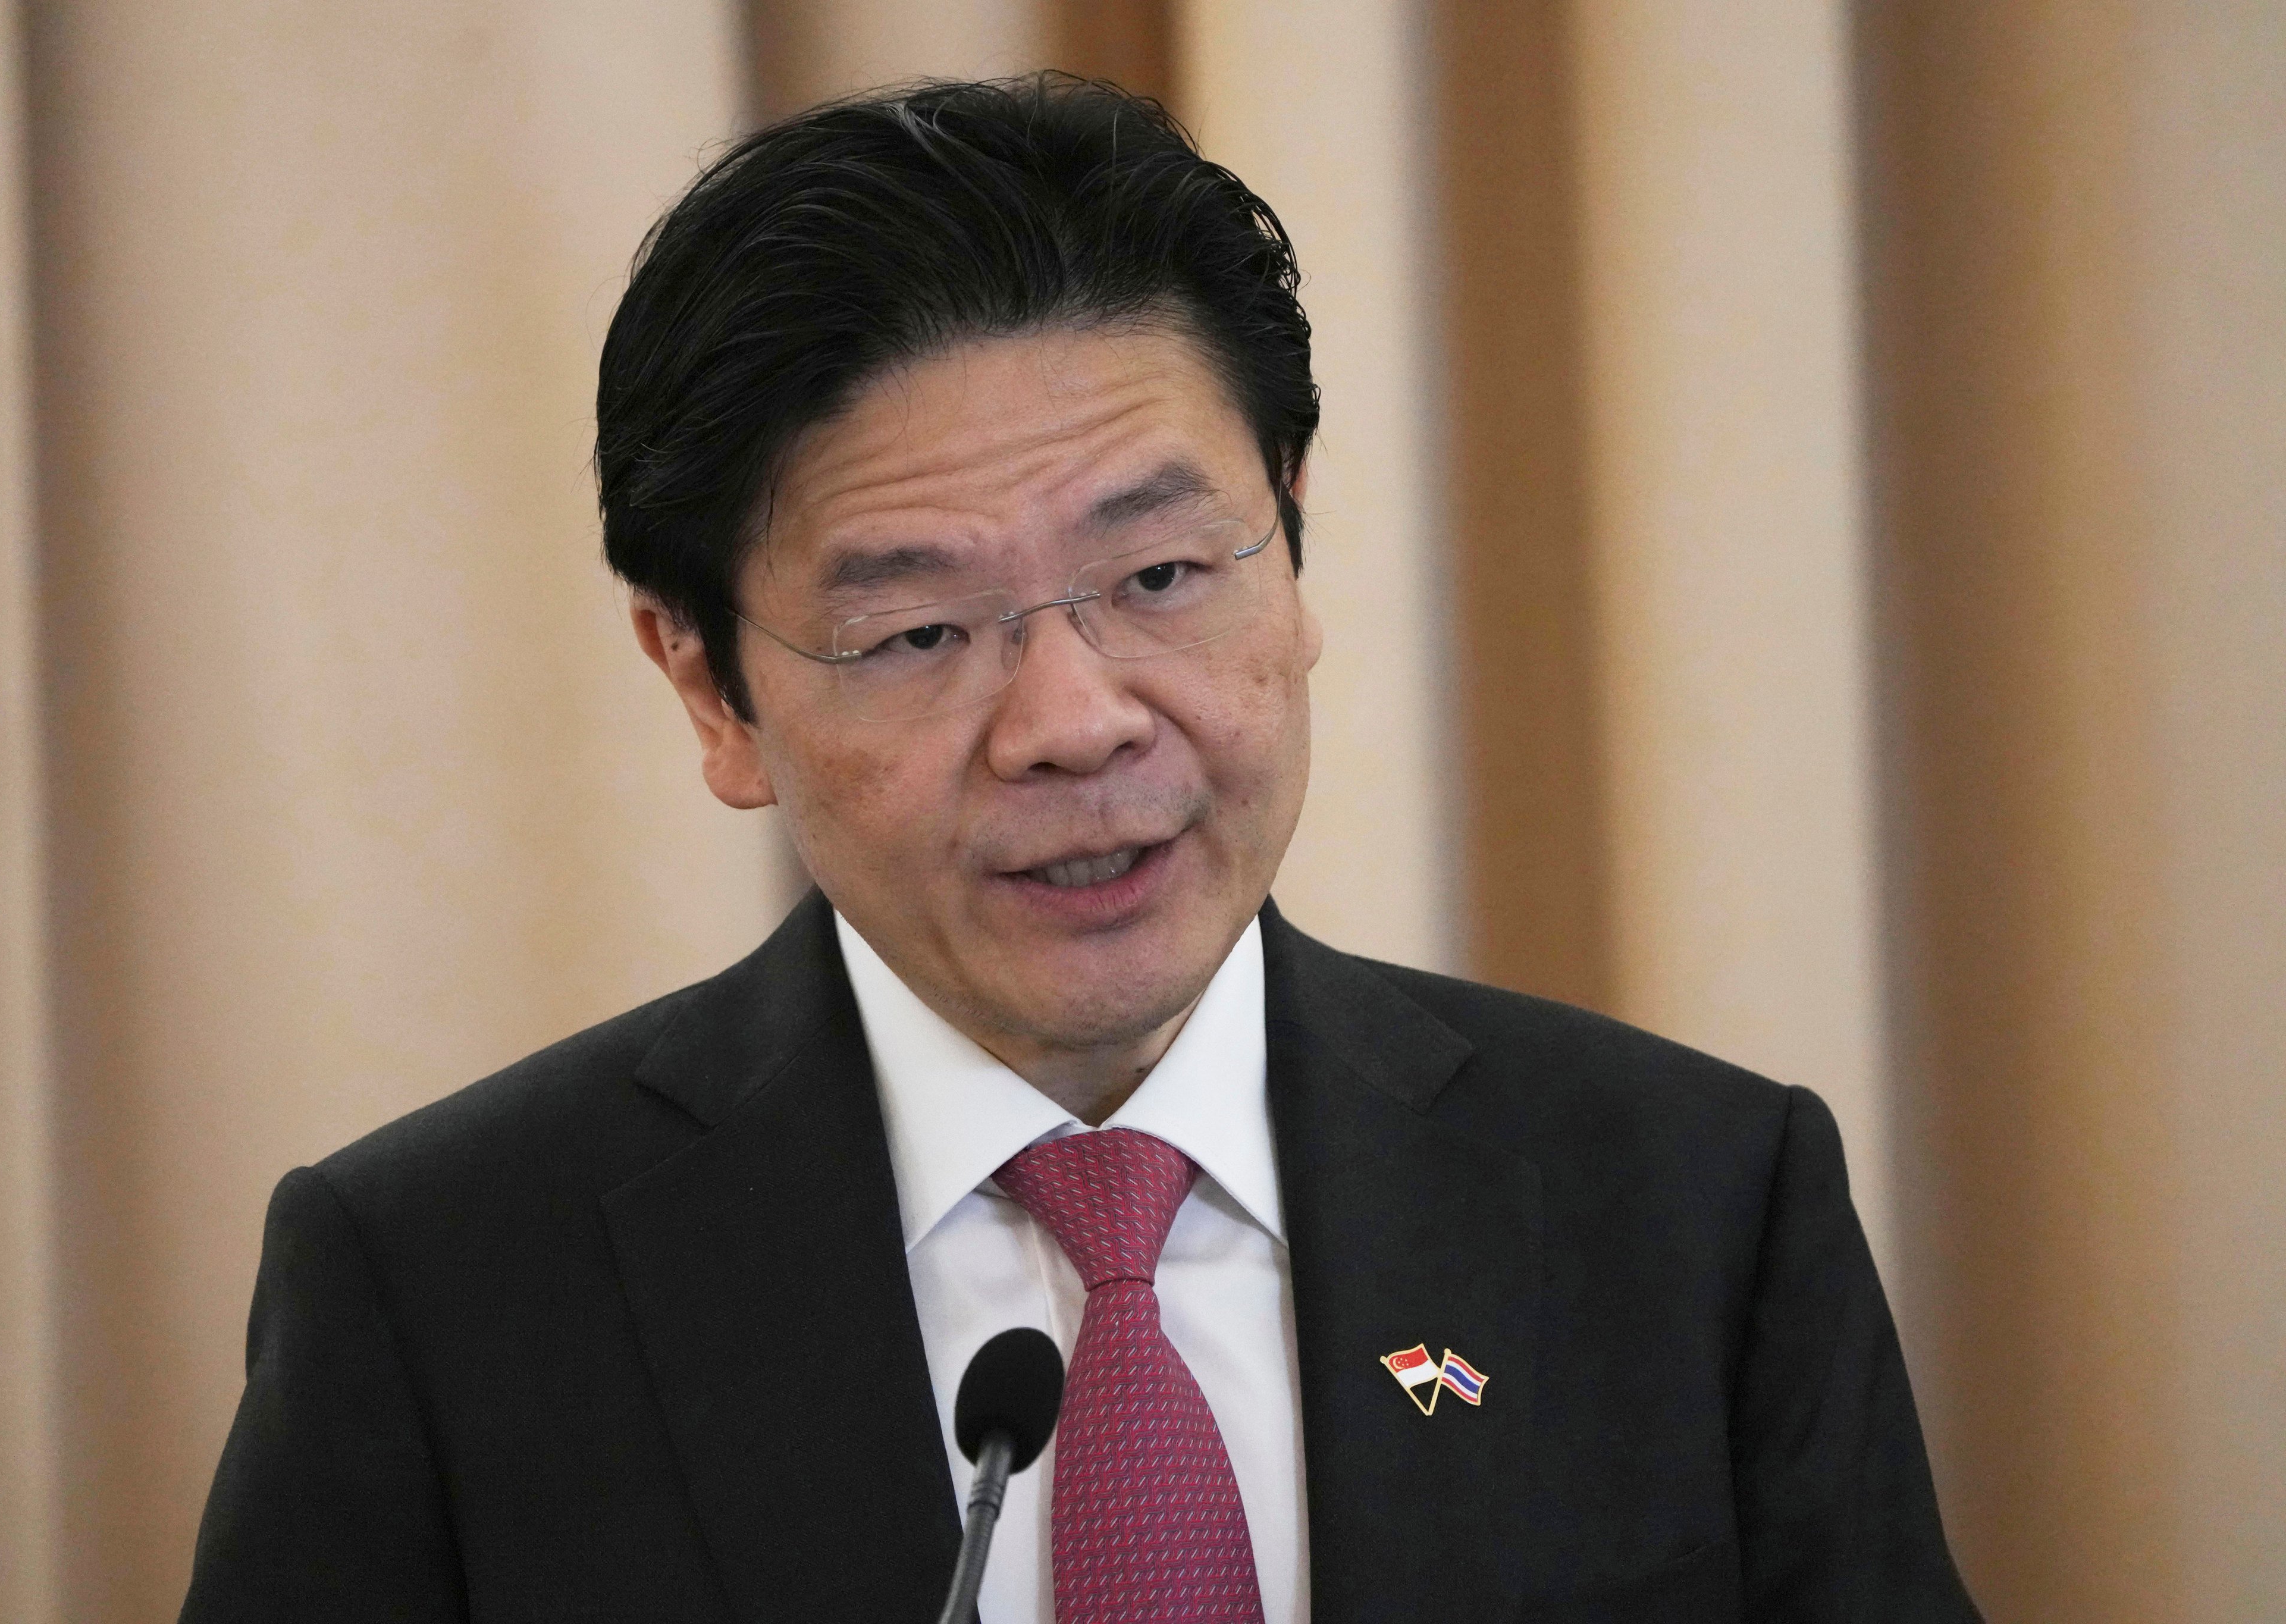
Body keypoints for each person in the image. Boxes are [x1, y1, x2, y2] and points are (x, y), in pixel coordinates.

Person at [180, 75, 1979, 1622]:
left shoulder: (1691, 1209)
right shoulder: (444, 1287)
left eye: (1162, 576)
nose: (1077, 718)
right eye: (917, 633)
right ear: (713, 691)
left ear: (1292, 544)